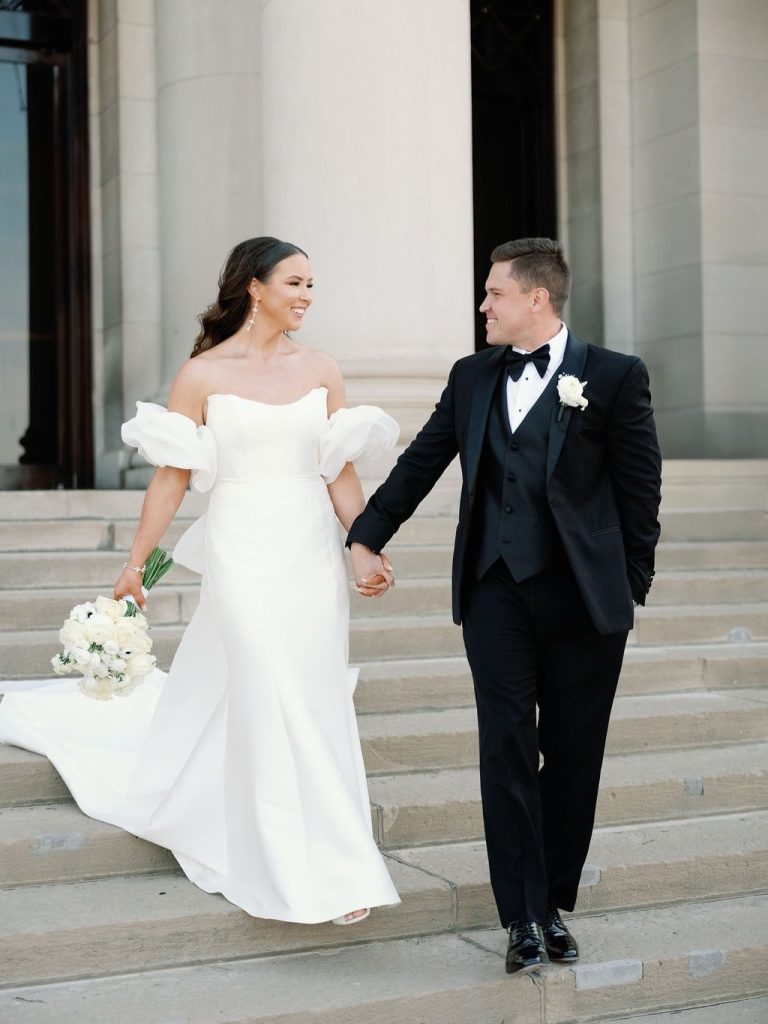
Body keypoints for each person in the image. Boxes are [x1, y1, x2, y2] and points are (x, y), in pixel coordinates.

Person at [0, 236, 401, 926]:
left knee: (308, 692)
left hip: (308, 551)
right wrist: (137, 566)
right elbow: (172, 477)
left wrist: (363, 548)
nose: (307, 295)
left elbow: (339, 470)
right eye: (296, 282)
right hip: (242, 548)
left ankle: (333, 851)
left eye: (312, 284)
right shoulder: (203, 375)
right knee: (266, 680)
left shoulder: (324, 369)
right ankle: (291, 863)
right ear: (255, 287)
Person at [348, 238, 662, 972]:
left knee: (575, 754)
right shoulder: (471, 377)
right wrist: (366, 536)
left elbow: (641, 491)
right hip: (495, 591)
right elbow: (422, 461)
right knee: (507, 745)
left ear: (536, 300)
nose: (484, 305)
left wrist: (628, 586)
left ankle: (551, 896)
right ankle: (522, 913)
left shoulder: (615, 376)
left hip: (584, 598)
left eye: (494, 293)